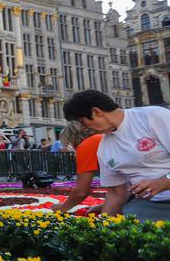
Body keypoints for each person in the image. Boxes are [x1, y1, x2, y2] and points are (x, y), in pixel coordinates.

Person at [64, 89, 170, 220]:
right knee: (132, 232)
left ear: (96, 112)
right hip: (149, 203)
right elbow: (116, 193)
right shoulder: (104, 149)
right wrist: (105, 225)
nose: (84, 128)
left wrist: (164, 182)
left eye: (83, 122)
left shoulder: (152, 116)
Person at [52, 121, 102, 214]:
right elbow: (120, 189)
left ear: (73, 139)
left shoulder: (87, 145)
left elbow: (81, 191)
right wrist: (103, 205)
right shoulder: (103, 138)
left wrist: (62, 208)